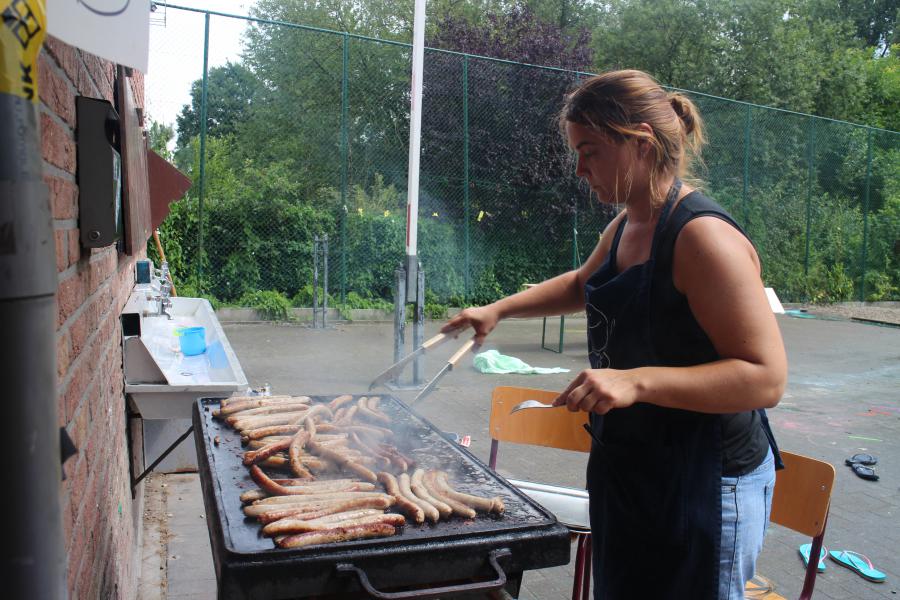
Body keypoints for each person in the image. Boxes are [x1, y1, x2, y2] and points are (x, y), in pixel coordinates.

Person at [442, 69, 786, 600]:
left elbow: (765, 379)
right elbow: (583, 283)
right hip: (631, 466)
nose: (579, 169)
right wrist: (497, 310)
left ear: (641, 144)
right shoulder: (628, 222)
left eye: (591, 151)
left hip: (704, 482)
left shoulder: (703, 240)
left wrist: (637, 382)